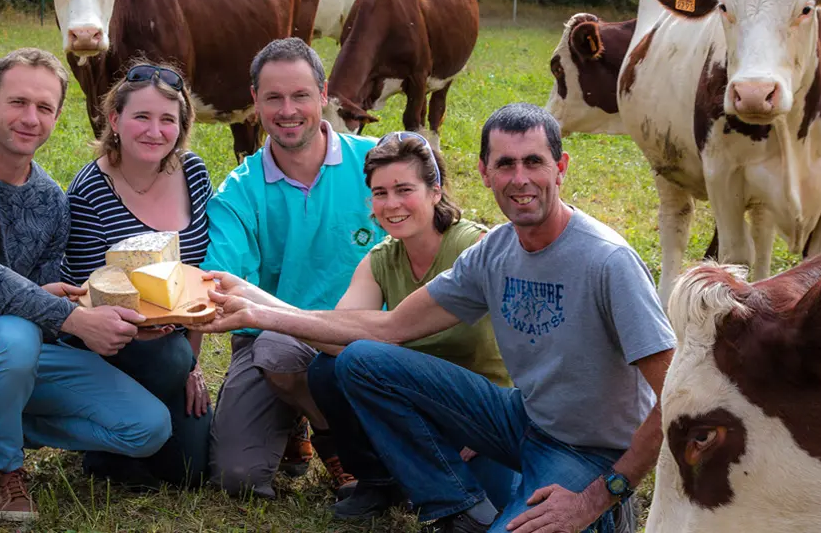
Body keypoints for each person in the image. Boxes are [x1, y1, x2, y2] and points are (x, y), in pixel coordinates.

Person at [200, 103, 676, 533]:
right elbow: (386, 329)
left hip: (586, 450)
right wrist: (257, 310)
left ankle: (605, 518)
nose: (520, 178)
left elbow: (678, 394)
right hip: (521, 420)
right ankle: (458, 510)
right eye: (505, 164)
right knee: (363, 361)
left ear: (561, 168)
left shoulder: (607, 261)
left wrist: (604, 492)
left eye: (534, 161)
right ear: (485, 174)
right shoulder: (495, 253)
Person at [0, 48, 171, 522]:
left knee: (148, 428)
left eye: (44, 107)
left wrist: (130, 322)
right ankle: (0, 470)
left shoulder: (50, 200)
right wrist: (74, 319)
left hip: (18, 361)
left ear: (58, 115)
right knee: (15, 332)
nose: (30, 118)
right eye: (17, 103)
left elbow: (49, 299)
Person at [202, 37, 385, 499]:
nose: (288, 110)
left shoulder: (377, 162)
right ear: (254, 102)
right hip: (271, 343)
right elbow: (221, 283)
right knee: (236, 476)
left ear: (324, 95)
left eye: (301, 95)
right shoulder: (237, 192)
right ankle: (317, 422)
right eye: (273, 97)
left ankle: (326, 429)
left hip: (368, 339)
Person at [304, 131, 516, 523]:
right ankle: (377, 481)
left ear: (435, 191)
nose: (392, 204)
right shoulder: (380, 259)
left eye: (404, 189)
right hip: (418, 402)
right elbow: (334, 332)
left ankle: (438, 485)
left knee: (502, 505)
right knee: (328, 368)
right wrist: (259, 307)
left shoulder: (475, 248)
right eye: (380, 193)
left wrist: (482, 426)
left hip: (486, 409)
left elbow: (525, 342)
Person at [59, 61, 212, 487]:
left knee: (190, 472)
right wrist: (170, 349)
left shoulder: (194, 174)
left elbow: (197, 281)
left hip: (175, 345)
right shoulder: (90, 190)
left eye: (168, 119)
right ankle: (107, 439)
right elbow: (92, 296)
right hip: (108, 343)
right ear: (115, 120)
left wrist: (194, 365)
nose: (154, 131)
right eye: (141, 117)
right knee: (167, 357)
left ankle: (148, 427)